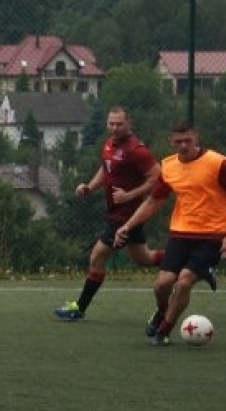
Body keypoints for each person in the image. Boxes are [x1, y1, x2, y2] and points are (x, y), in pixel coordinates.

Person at [113, 120, 226, 345]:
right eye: (178, 141)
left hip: (213, 235)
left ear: (197, 138)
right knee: (162, 284)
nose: (184, 145)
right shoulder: (168, 166)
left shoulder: (218, 163)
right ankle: (163, 312)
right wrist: (127, 226)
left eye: (188, 140)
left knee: (183, 282)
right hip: (181, 234)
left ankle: (164, 331)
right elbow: (153, 201)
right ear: (171, 142)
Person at [54, 105, 177, 321]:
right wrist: (89, 187)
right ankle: (186, 261)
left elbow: (157, 178)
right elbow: (106, 169)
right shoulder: (110, 144)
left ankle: (79, 308)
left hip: (127, 215)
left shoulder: (136, 150)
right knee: (143, 257)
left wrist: (130, 195)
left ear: (130, 124)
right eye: (111, 123)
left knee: (97, 256)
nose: (115, 128)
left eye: (119, 124)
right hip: (117, 212)